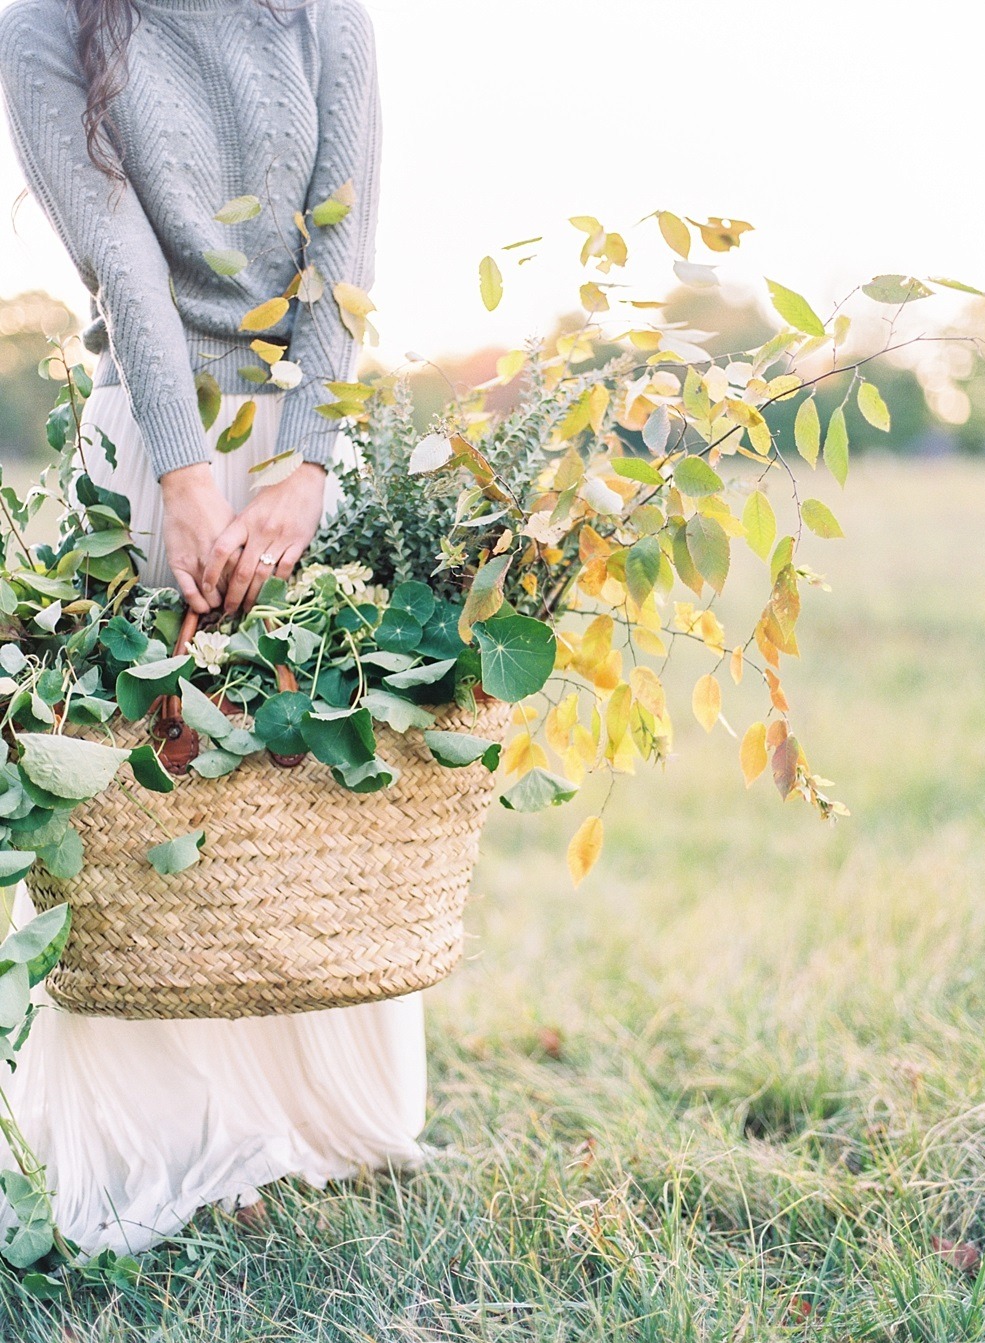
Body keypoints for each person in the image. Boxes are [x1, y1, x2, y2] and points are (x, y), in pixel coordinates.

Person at [0, 0, 428, 1256]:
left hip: (306, 444)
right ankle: (166, 1144)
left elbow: (341, 251)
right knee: (153, 797)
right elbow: (120, 260)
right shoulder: (44, 23)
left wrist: (307, 468)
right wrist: (185, 478)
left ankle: (308, 1125)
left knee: (302, 798)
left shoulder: (322, 16)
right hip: (148, 445)